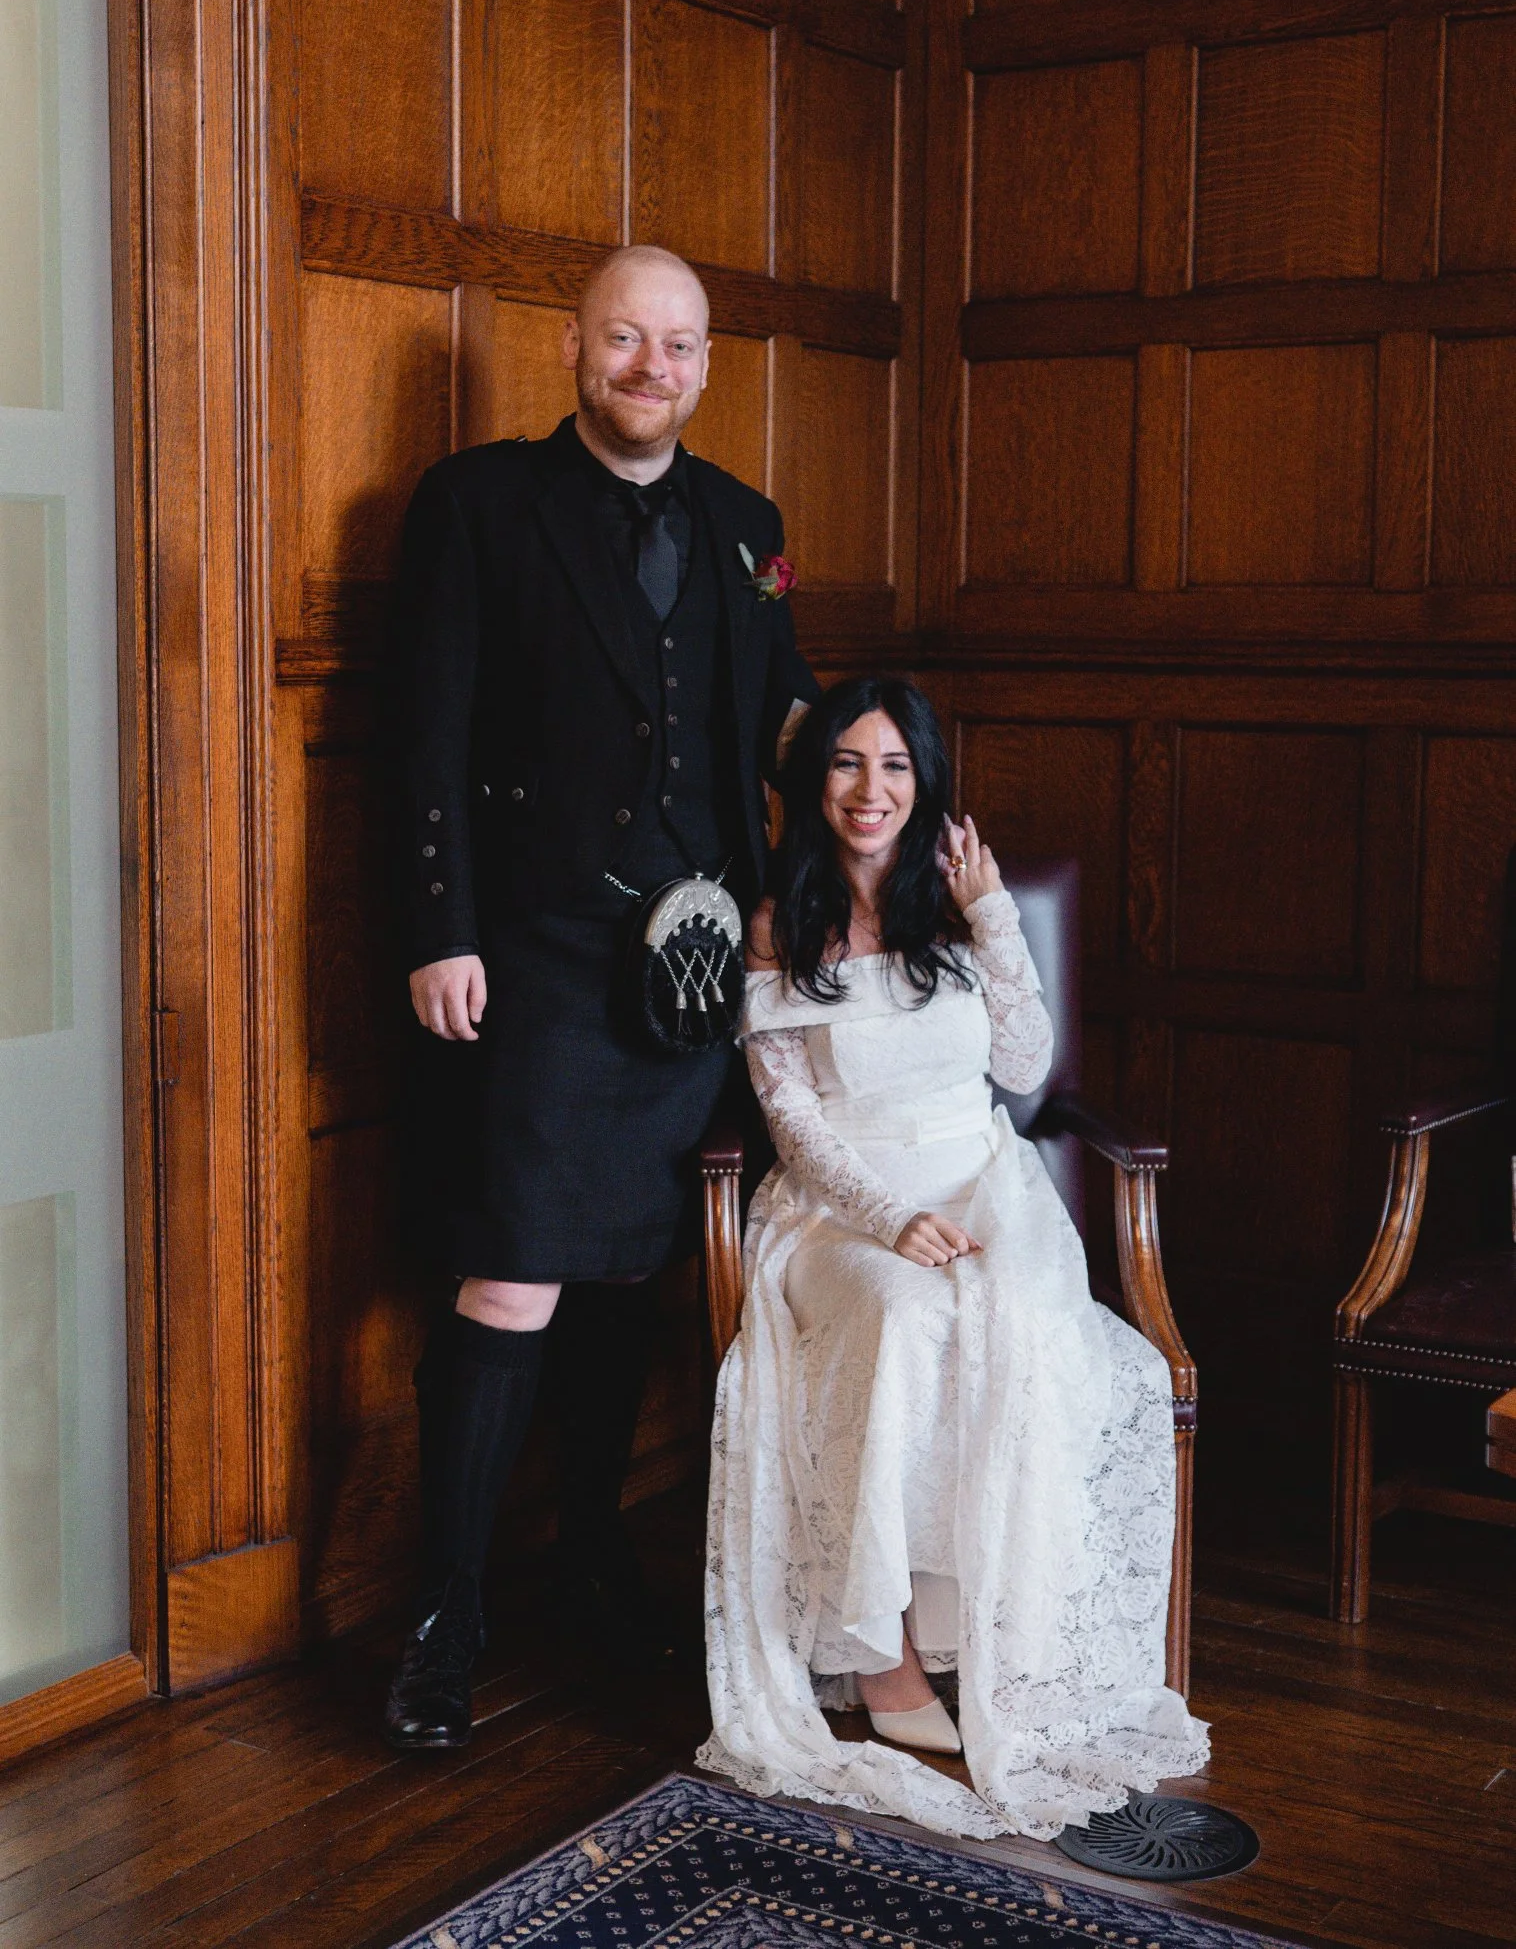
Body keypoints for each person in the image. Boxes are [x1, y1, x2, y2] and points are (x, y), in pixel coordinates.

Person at [385, 244, 815, 1750]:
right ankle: (447, 1617)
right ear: (575, 345)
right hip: (547, 950)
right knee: (514, 1271)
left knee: (634, 1269)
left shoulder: (746, 524)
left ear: (708, 362)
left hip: (700, 969)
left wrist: (884, 789)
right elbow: (422, 728)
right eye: (626, 336)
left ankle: (586, 1552)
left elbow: (782, 712)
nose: (653, 364)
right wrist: (443, 927)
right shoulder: (484, 502)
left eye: (680, 344)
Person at [699, 677, 1210, 1837]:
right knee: (903, 1312)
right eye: (844, 764)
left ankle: (994, 1626)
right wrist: (887, 1220)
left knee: (1025, 1321)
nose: (868, 790)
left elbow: (1024, 1070)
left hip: (982, 1179)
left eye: (892, 766)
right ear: (812, 781)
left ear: (922, 781)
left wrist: (991, 917)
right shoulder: (778, 922)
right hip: (841, 1209)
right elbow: (795, 1122)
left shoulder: (956, 908)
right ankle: (881, 1664)